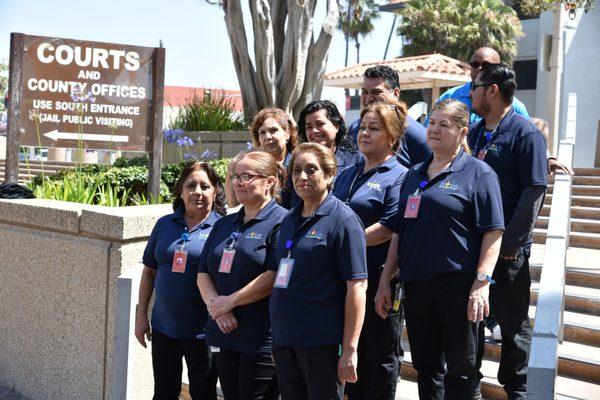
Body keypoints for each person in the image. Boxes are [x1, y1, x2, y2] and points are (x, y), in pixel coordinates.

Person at [375, 99, 505, 399]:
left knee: (462, 369)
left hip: (458, 287)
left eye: (443, 125)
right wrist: (386, 280)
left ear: (462, 133)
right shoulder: (414, 174)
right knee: (426, 366)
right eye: (431, 123)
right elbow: (398, 233)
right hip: (417, 286)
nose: (433, 130)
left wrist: (481, 283)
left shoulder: (479, 173)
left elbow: (493, 232)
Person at [469, 63, 547, 399]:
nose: (471, 93)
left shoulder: (525, 133)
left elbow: (534, 191)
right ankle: (468, 380)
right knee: (470, 320)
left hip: (508, 251)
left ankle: (517, 388)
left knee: (514, 325)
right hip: (471, 248)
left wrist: (510, 244)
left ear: (492, 90)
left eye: (475, 87)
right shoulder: (474, 132)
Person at [270, 143, 368, 400]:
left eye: (311, 170)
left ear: (330, 174)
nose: (302, 177)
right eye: (297, 170)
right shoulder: (289, 218)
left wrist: (349, 349)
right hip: (285, 338)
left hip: (320, 342)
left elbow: (356, 287)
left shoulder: (344, 221)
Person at [196, 151, 287, 400]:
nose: (237, 182)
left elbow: (273, 274)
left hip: (259, 339)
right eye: (236, 176)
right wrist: (218, 307)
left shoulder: (283, 221)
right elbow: (203, 271)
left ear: (269, 181)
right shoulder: (225, 223)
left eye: (246, 176)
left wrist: (231, 301)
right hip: (224, 332)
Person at [333, 101, 408, 400]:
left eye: (374, 128)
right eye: (362, 127)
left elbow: (388, 227)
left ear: (391, 136)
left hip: (379, 279)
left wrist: (341, 243)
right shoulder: (347, 174)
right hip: (345, 279)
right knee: (353, 354)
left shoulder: (400, 175)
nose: (364, 133)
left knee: (380, 356)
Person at [137, 161, 226, 400]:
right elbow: (149, 271)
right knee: (164, 393)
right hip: (164, 327)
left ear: (215, 191)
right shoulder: (165, 224)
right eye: (191, 185)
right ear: (181, 191)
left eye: (205, 186)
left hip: (204, 332)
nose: (197, 191)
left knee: (203, 394)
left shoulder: (224, 228)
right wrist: (140, 315)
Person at [281, 100, 361, 209]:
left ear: (336, 126)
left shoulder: (356, 161)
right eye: (309, 127)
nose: (314, 131)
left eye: (320, 124)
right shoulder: (297, 163)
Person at [347, 65, 431, 168]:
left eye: (376, 92)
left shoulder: (415, 133)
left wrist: (419, 184)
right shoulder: (355, 127)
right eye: (364, 92)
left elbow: (430, 176)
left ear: (396, 93)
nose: (368, 98)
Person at [424, 47, 529, 126]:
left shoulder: (515, 106)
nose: (479, 68)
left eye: (485, 65)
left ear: (498, 68)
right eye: (474, 64)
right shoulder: (450, 97)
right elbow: (428, 130)